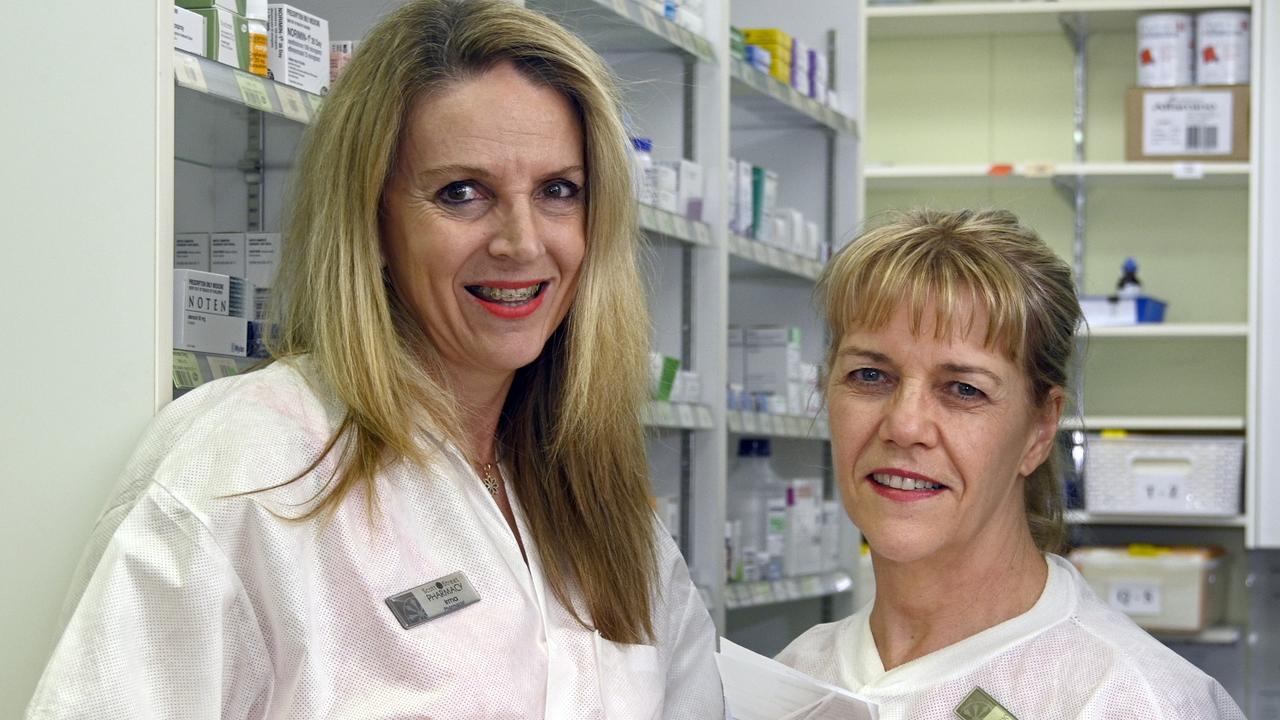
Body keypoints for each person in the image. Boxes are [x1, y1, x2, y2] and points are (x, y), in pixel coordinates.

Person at [27, 1, 723, 717]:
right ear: (371, 218)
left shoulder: (601, 505)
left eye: (558, 191)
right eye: (462, 193)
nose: (521, 241)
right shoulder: (245, 472)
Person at [775, 209, 1244, 719]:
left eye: (963, 389)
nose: (904, 426)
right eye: (869, 375)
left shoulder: (1134, 701)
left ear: (1041, 428)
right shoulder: (794, 679)